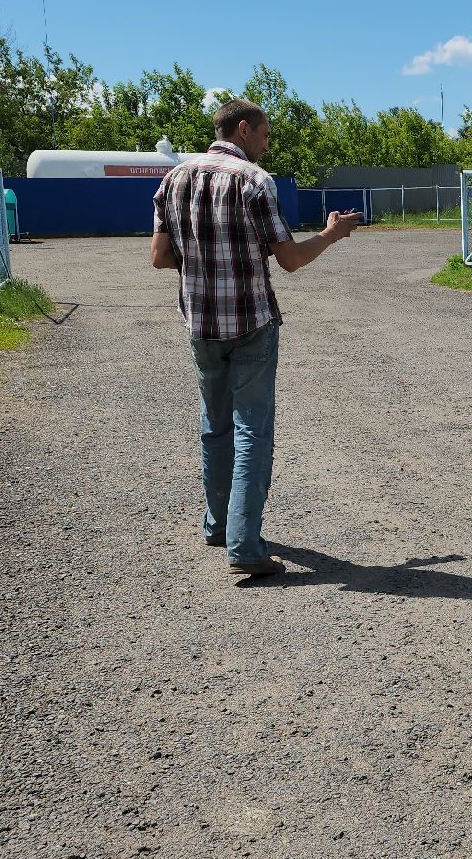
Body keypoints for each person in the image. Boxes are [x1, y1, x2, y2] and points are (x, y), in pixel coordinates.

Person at [150, 99, 362, 577]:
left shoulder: (173, 180)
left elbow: (161, 257)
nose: (267, 144)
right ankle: (244, 547)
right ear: (243, 130)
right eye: (265, 135)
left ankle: (218, 524)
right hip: (250, 326)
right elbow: (289, 260)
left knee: (214, 424)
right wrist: (331, 234)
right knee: (252, 431)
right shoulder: (254, 182)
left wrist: (204, 261)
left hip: (200, 326)